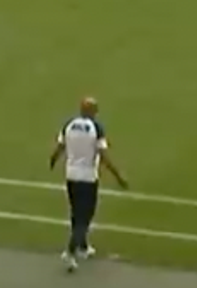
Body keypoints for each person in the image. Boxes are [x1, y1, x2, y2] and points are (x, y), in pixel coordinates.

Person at [50, 96, 129, 272]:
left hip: (71, 175)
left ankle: (83, 246)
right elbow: (104, 155)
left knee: (75, 212)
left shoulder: (69, 124)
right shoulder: (96, 128)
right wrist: (118, 176)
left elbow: (59, 147)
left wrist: (53, 160)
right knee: (85, 217)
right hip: (87, 178)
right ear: (92, 111)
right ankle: (70, 252)